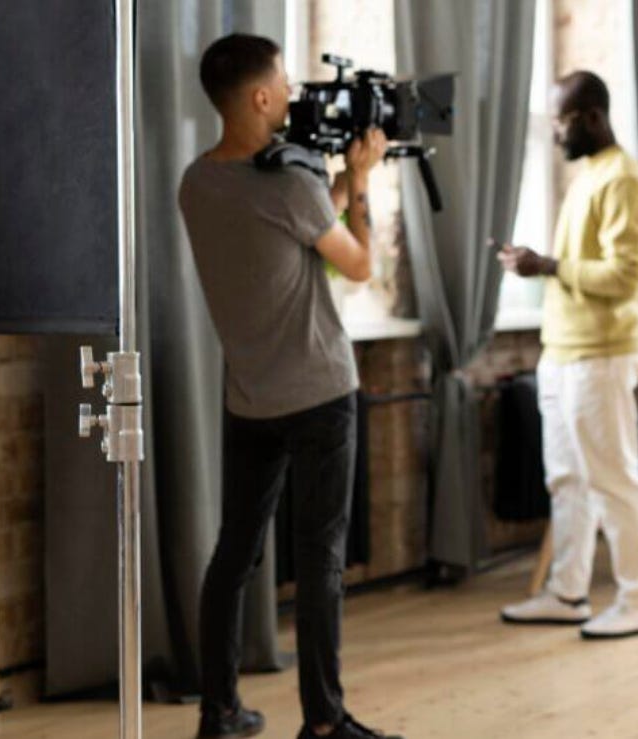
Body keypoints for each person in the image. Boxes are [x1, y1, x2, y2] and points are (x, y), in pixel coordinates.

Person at [179, 33, 400, 739]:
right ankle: (325, 724)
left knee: (234, 552)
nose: (292, 94)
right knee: (320, 560)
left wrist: (328, 185)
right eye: (281, 82)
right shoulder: (289, 185)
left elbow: (291, 228)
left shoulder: (196, 182)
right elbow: (357, 263)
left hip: (249, 398)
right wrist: (360, 180)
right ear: (259, 96)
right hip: (320, 395)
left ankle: (218, 711)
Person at [494, 70, 638, 639]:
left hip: (601, 355)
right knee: (567, 479)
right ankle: (568, 593)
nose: (555, 133)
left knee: (614, 479)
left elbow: (625, 275)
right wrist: (539, 265)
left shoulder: (626, 180)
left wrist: (547, 265)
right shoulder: (590, 174)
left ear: (592, 117)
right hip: (562, 352)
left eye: (561, 121)